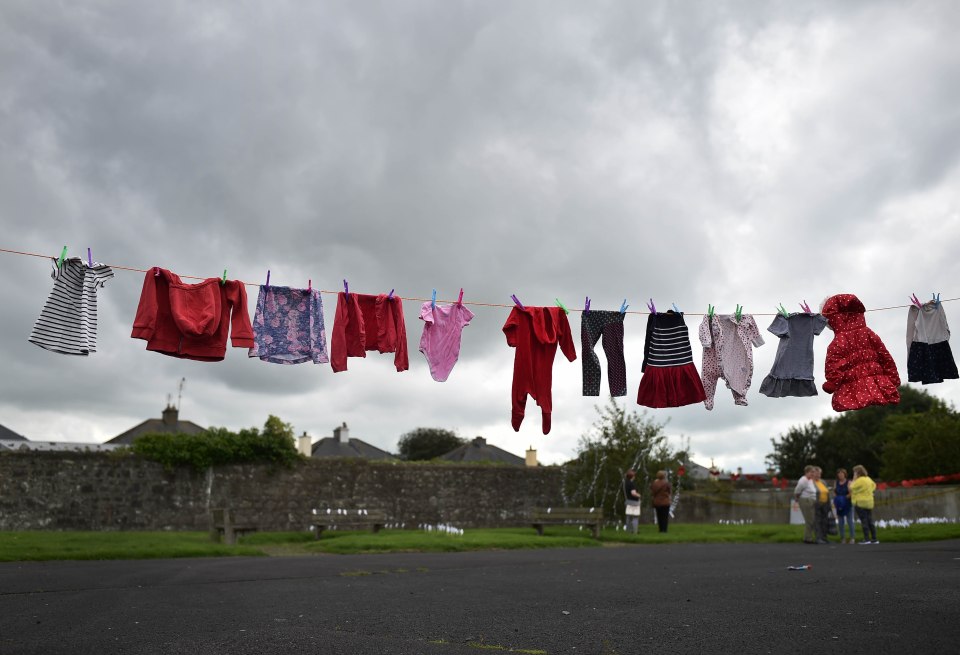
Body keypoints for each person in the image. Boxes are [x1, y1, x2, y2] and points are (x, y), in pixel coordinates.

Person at [851, 464, 879, 544]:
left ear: (857, 473)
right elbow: (874, 486)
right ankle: (874, 538)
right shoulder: (868, 479)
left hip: (860, 503)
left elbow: (851, 487)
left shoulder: (859, 480)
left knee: (864, 521)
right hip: (869, 502)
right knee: (870, 520)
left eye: (854, 472)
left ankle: (866, 539)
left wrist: (854, 479)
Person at [793, 465, 818, 544]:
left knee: (812, 519)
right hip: (806, 500)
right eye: (811, 472)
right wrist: (797, 499)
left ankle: (809, 537)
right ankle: (808, 538)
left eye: (814, 472)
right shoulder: (803, 480)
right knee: (810, 520)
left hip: (811, 500)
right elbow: (797, 491)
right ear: (807, 472)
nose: (813, 474)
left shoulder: (810, 480)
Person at [833, 468, 855, 544]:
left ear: (845, 474)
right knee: (840, 522)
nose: (840, 475)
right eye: (839, 474)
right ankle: (842, 538)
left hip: (847, 503)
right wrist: (838, 499)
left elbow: (851, 493)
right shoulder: (836, 482)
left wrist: (844, 498)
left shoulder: (849, 482)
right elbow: (834, 492)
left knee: (850, 521)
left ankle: (852, 538)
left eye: (842, 474)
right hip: (839, 504)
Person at [811, 466, 832, 544]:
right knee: (817, 521)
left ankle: (824, 537)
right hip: (817, 504)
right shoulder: (811, 482)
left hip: (825, 504)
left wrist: (829, 504)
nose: (818, 475)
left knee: (825, 521)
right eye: (817, 473)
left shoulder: (823, 482)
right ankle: (818, 538)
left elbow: (827, 492)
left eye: (820, 473)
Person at [623, 469, 642, 534]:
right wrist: (639, 495)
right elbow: (633, 493)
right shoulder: (631, 484)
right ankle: (635, 531)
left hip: (628, 501)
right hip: (634, 502)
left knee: (628, 517)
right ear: (632, 476)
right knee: (635, 517)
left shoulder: (626, 483)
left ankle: (628, 531)